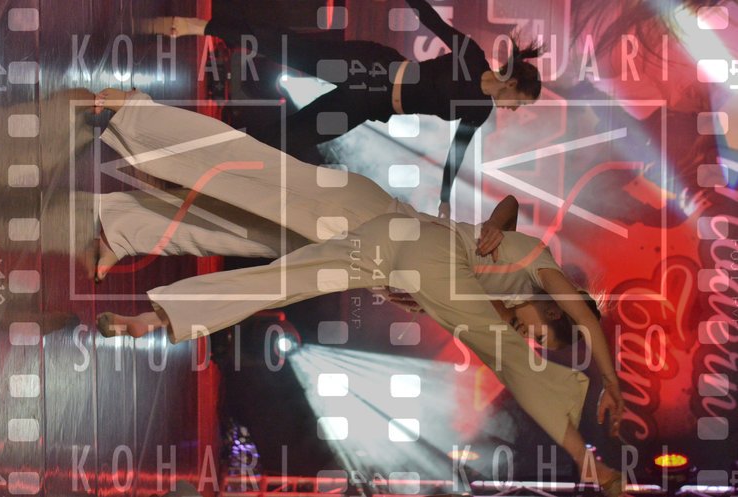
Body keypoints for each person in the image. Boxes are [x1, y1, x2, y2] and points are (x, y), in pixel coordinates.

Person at [91, 89, 625, 495]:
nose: (533, 338)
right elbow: (568, 306)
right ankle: (135, 117)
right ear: (554, 310)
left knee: (248, 234)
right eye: (543, 335)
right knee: (253, 177)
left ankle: (125, 228)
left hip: (386, 245)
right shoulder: (542, 271)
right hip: (371, 218)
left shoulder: (496, 293)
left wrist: (483, 232)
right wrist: (611, 383)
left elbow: (504, 218)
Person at [138, 0, 543, 218]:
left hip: (365, 104)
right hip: (367, 66)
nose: (512, 110)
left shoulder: (479, 110)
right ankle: (196, 26)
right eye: (518, 103)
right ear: (512, 83)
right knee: (286, 48)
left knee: (283, 141)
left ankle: (189, 173)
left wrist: (444, 201)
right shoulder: (470, 56)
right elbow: (429, 17)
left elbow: (457, 153)